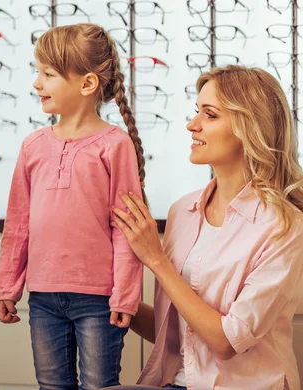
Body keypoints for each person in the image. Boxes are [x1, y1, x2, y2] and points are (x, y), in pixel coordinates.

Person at [110, 65, 303, 390]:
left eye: (210, 115)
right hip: (174, 382)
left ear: (249, 127)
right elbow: (177, 327)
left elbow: (226, 342)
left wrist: (155, 259)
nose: (192, 125)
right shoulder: (182, 212)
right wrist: (106, 296)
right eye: (196, 111)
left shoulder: (284, 227)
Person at [0, 23, 147, 389]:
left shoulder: (115, 145)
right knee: (51, 385)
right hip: (43, 296)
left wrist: (125, 295)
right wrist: (7, 285)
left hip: (99, 299)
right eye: (38, 72)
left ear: (87, 83)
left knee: (99, 385)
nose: (37, 83)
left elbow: (126, 229)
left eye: (48, 74)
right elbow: (18, 224)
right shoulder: (32, 145)